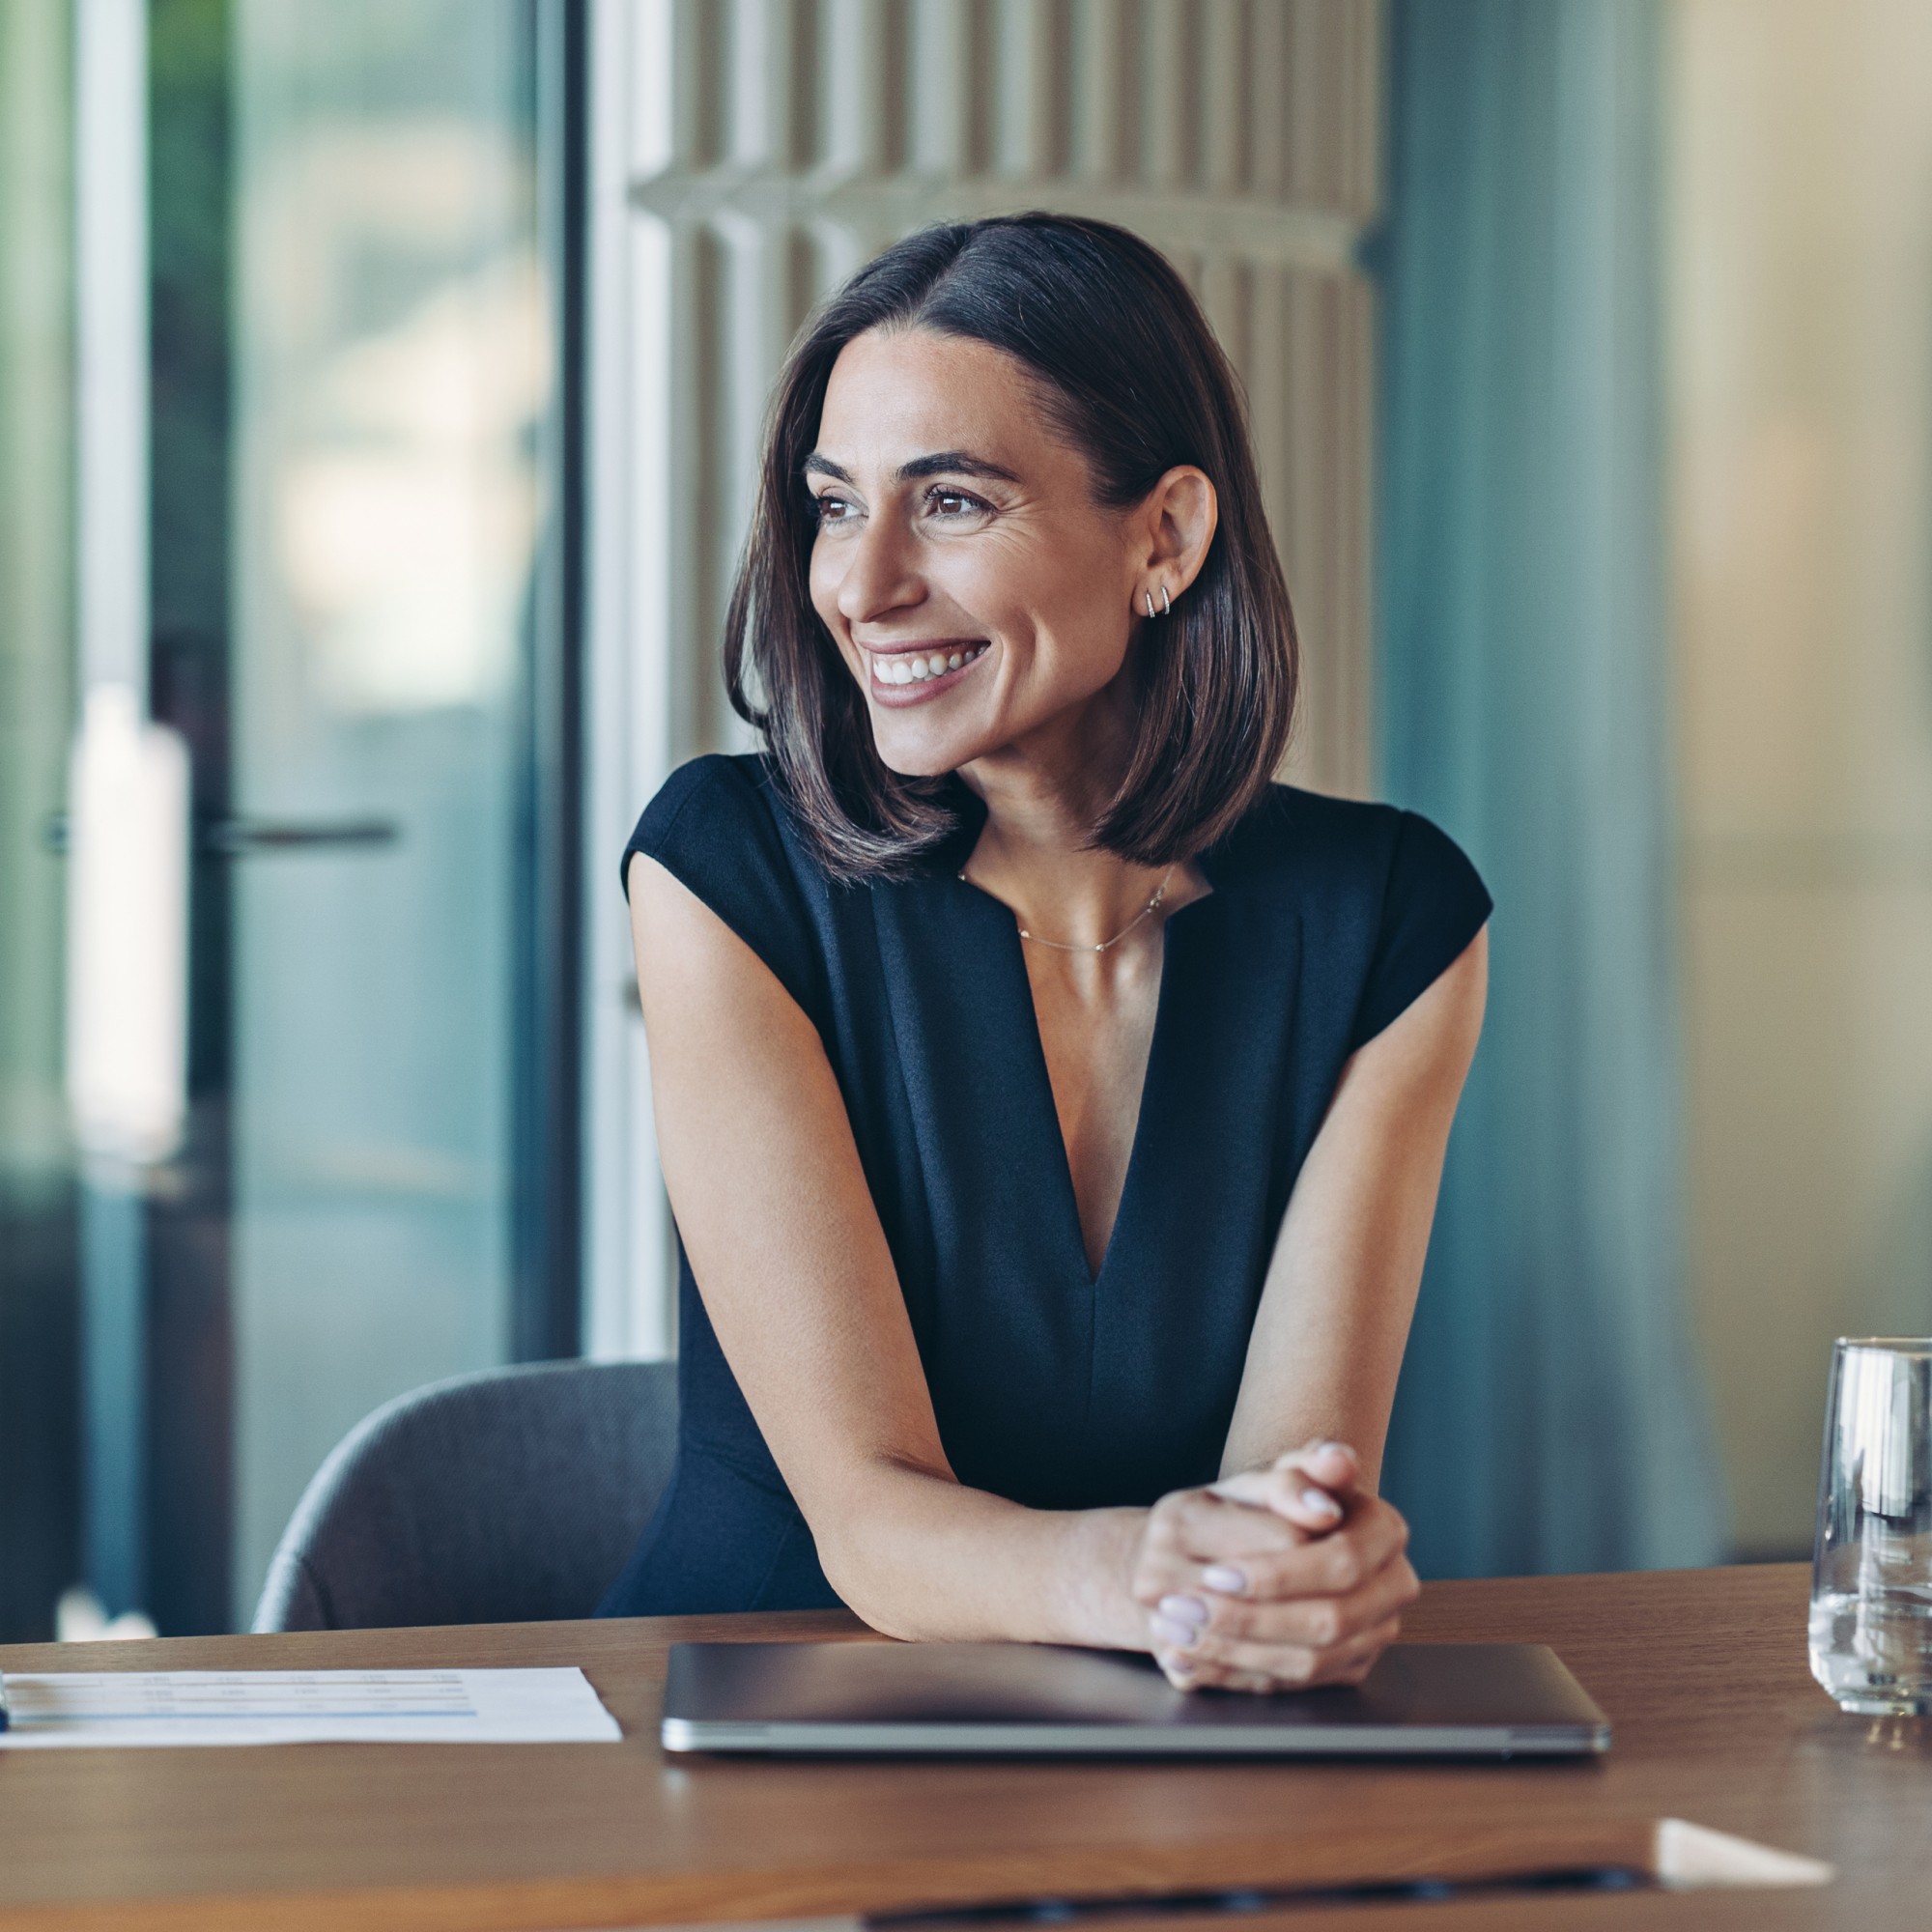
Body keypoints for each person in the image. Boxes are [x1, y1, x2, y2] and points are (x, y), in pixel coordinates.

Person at [598, 214, 1490, 1695]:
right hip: (753, 1730)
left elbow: (1289, 1497)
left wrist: (1294, 1572)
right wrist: (1172, 1578)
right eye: (833, 506)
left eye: (947, 502)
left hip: (1172, 1735)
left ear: (1167, 538)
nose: (859, 585)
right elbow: (870, 1523)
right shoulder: (722, 870)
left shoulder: (1389, 921)